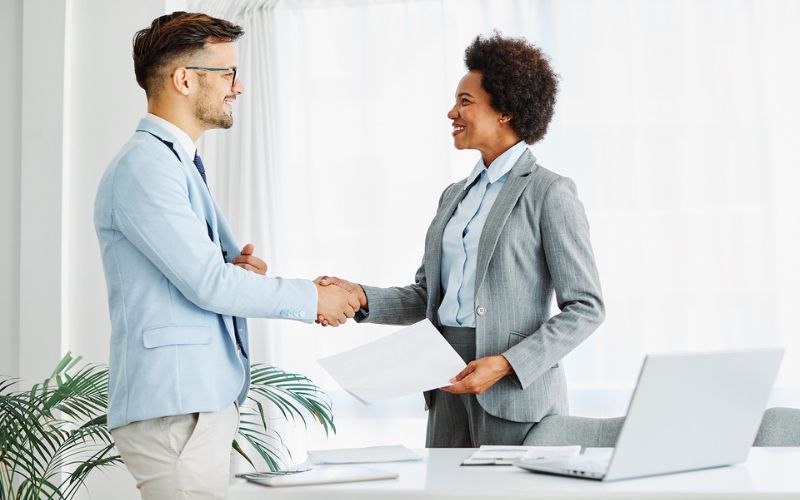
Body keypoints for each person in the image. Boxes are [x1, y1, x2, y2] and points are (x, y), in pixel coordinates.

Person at [94, 12, 359, 499]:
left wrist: (230, 269)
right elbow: (208, 285)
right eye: (227, 73)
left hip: (193, 403)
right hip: (176, 408)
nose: (238, 87)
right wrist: (311, 299)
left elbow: (197, 275)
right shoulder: (146, 167)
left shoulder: (173, 163)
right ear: (184, 79)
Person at [318, 33, 604, 447]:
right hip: (443, 379)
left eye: (465, 101)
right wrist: (359, 295)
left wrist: (507, 364)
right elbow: (426, 296)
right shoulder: (454, 196)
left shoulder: (549, 192)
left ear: (505, 110)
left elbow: (587, 307)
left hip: (513, 393)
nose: (452, 111)